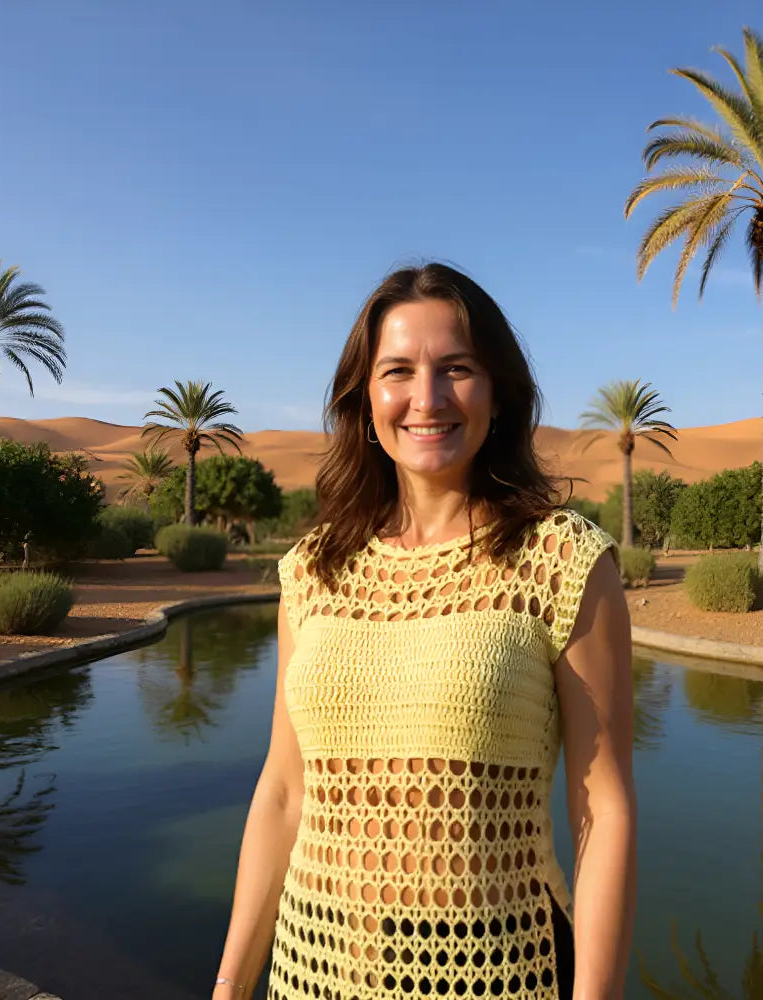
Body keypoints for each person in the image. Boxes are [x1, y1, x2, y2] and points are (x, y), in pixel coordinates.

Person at [213, 263, 636, 1000]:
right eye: (398, 371)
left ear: (497, 391)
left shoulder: (562, 559)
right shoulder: (312, 569)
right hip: (317, 964)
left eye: (457, 369)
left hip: (501, 965)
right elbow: (284, 793)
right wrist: (228, 986)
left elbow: (603, 807)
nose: (427, 399)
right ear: (365, 397)